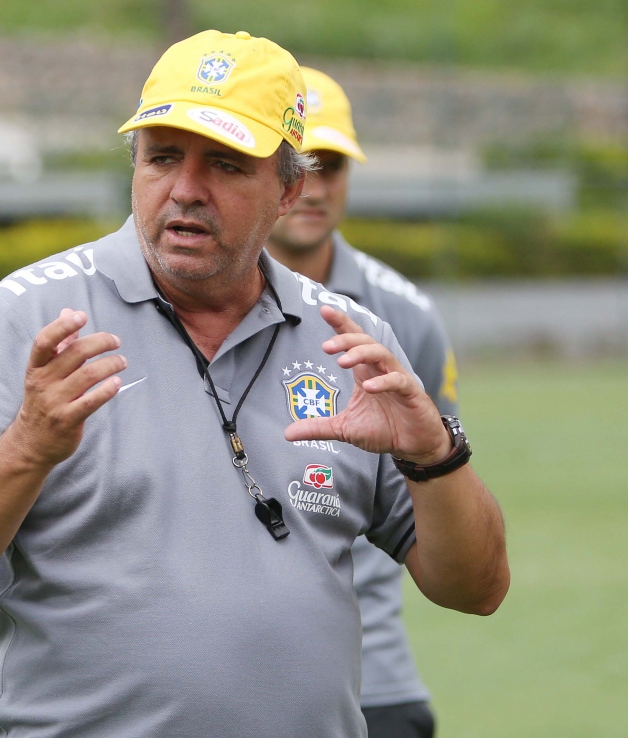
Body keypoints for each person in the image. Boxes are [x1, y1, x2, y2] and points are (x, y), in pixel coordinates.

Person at [0, 30, 508, 738]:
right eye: (161, 158)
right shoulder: (29, 316)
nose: (185, 189)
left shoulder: (350, 340)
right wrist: (30, 445)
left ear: (288, 189)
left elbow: (477, 588)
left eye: (223, 164)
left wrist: (434, 454)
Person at [267, 67, 458, 738]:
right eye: (302, 163)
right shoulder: (191, 296)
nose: (315, 186)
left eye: (334, 165)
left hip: (372, 675)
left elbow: (444, 494)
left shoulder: (406, 315)